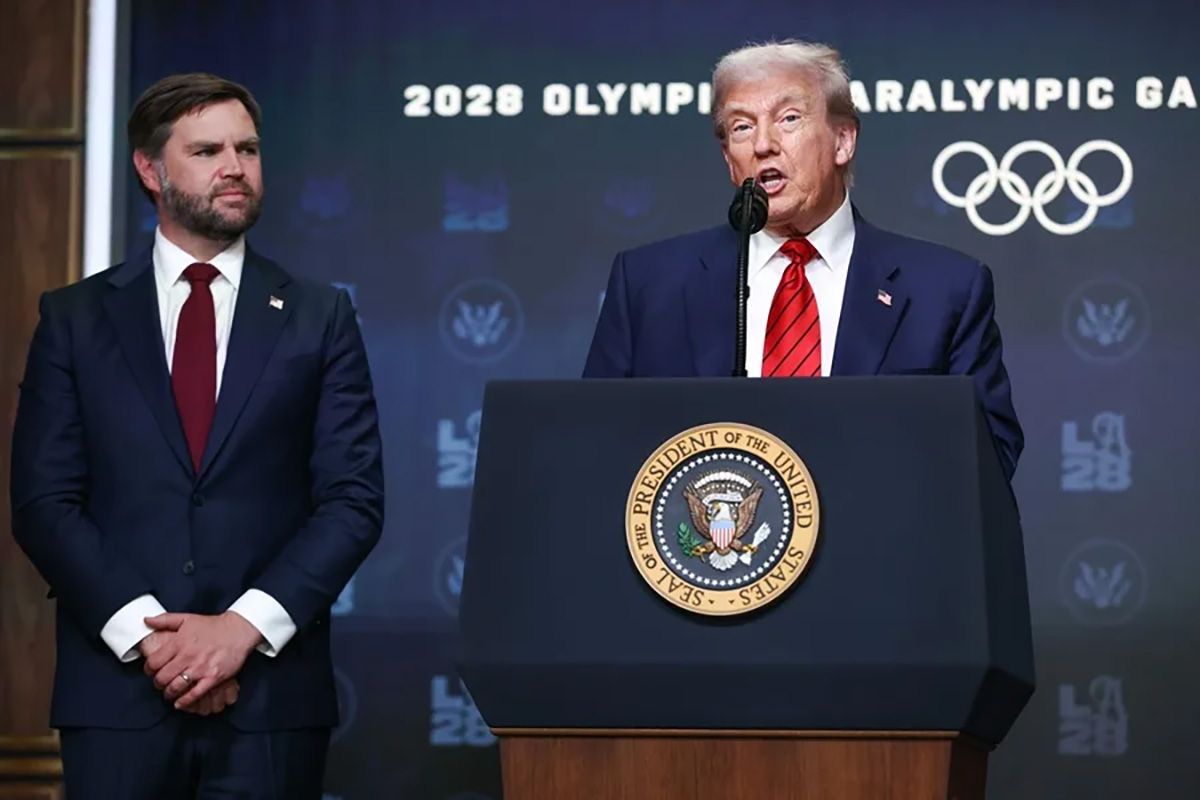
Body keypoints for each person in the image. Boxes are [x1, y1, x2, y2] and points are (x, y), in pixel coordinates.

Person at [10, 73, 384, 798]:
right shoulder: (75, 319)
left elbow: (352, 501)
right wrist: (155, 643)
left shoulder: (318, 316)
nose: (235, 167)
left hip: (270, 702)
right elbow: (45, 502)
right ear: (151, 170)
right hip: (117, 699)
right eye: (208, 150)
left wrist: (237, 631)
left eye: (247, 148)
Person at [584, 40, 1022, 479]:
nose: (762, 145)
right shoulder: (648, 285)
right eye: (740, 127)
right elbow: (594, 448)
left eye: (788, 119)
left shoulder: (944, 290)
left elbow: (989, 461)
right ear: (728, 160)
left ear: (843, 140)